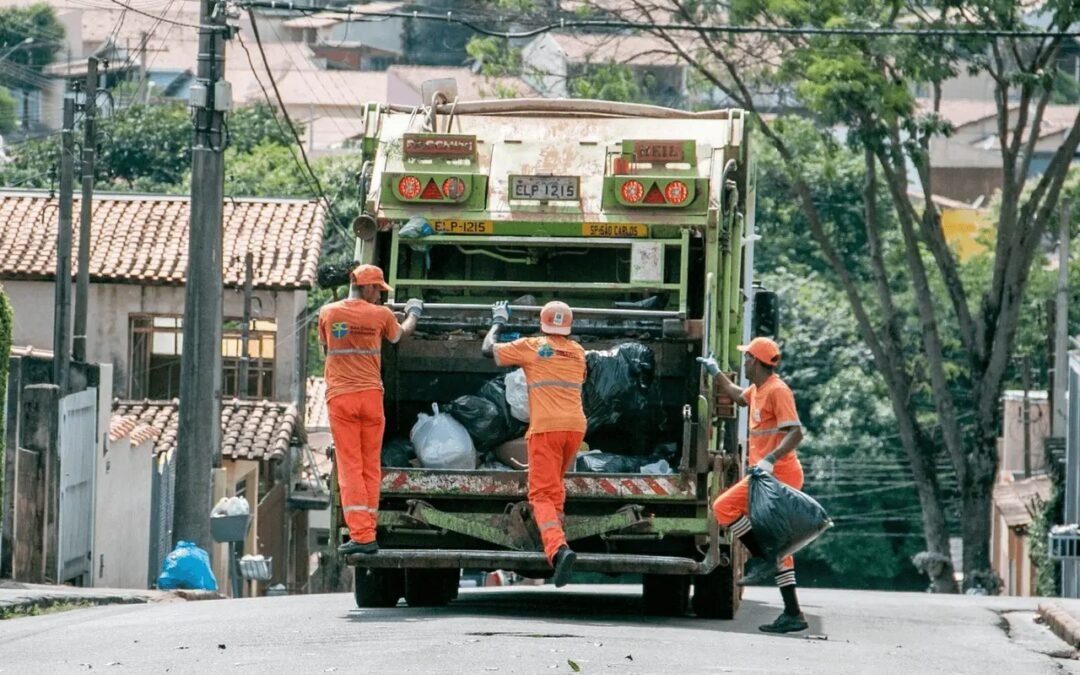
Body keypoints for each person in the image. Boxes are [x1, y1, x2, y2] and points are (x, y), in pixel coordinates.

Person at [697, 337, 808, 634]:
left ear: (757, 362)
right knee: (780, 546)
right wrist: (715, 372)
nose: (744, 362)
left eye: (747, 358)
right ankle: (792, 612)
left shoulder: (778, 390)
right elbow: (737, 395)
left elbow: (796, 433)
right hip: (766, 476)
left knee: (723, 506)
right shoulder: (758, 389)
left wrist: (770, 459)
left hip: (778, 475)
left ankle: (762, 561)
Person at [319, 264, 424, 556]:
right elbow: (399, 336)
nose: (379, 295)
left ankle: (363, 535)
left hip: (341, 399)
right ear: (365, 287)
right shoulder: (381, 315)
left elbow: (326, 346)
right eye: (377, 289)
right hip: (370, 398)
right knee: (369, 467)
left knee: (350, 467)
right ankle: (368, 528)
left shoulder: (328, 313)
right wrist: (414, 311)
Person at [481, 300, 585, 587]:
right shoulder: (578, 352)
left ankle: (557, 550)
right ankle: (559, 538)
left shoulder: (533, 346)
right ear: (569, 326)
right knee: (555, 489)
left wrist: (498, 321)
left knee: (540, 494)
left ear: (542, 323)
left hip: (546, 429)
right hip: (575, 428)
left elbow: (487, 350)